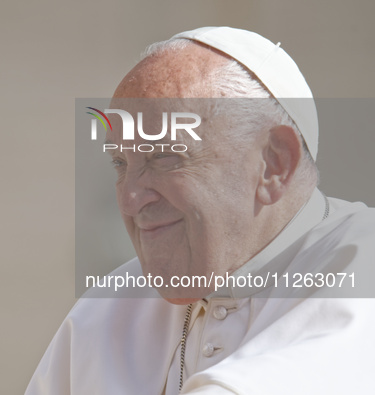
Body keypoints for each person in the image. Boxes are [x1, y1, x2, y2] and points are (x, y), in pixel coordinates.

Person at [26, 27, 375, 394]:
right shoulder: (106, 309)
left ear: (273, 163)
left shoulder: (362, 260)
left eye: (164, 157)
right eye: (120, 163)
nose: (129, 200)